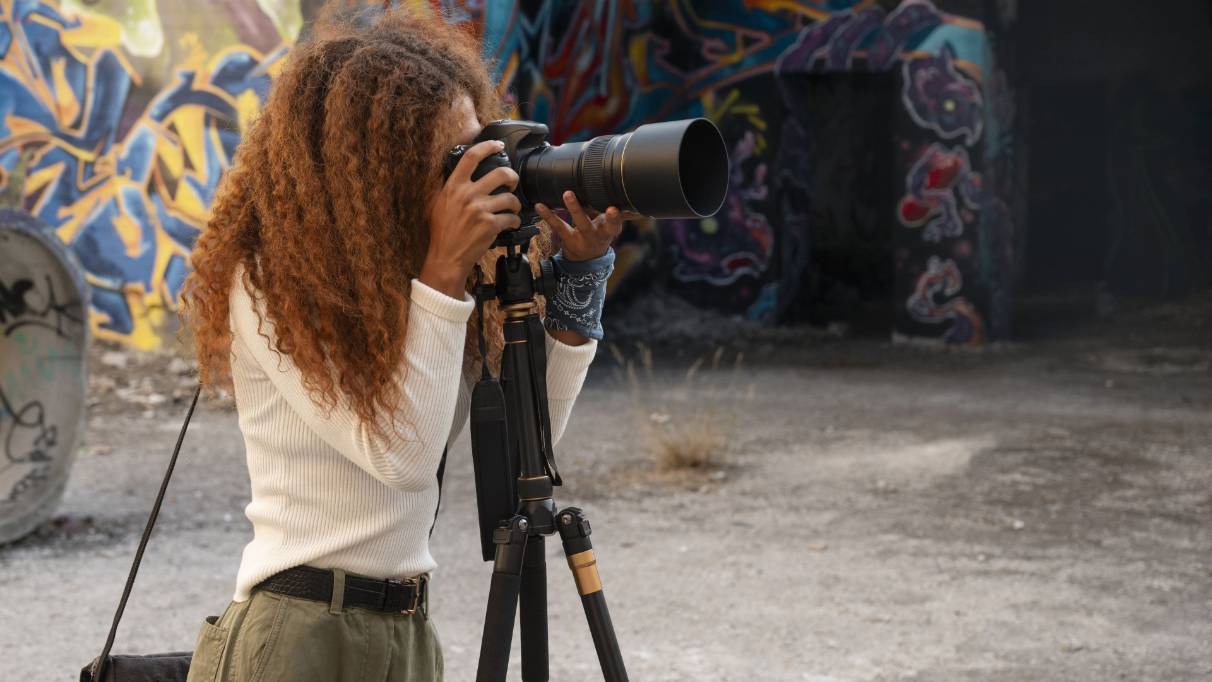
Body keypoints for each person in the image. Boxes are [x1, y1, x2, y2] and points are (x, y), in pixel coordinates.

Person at [181, 6, 621, 681]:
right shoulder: (272, 282)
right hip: (299, 634)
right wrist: (444, 274)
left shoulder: (432, 290)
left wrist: (578, 287)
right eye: (454, 158)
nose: (476, 178)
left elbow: (531, 450)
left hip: (406, 630)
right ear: (379, 166)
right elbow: (405, 457)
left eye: (481, 149)